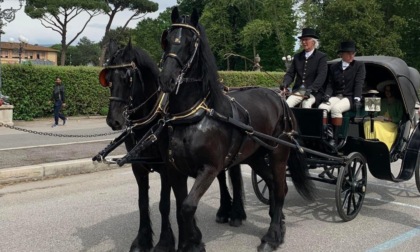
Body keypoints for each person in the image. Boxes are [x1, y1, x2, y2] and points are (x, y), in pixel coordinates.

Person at [319, 41, 365, 147]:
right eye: (348, 53)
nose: (351, 55)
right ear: (342, 54)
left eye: (353, 53)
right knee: (322, 108)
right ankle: (325, 135)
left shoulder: (359, 66)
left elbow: (359, 83)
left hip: (350, 97)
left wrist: (357, 98)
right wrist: (327, 95)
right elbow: (330, 85)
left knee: (336, 109)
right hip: (336, 96)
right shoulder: (334, 67)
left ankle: (336, 139)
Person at [280, 28, 328, 108]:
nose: (304, 42)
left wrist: (311, 89)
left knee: (306, 104)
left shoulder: (321, 57)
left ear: (313, 42)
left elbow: (321, 76)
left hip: (314, 92)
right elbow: (290, 74)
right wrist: (285, 83)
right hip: (298, 91)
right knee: (286, 105)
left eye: (306, 40)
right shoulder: (297, 57)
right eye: (302, 40)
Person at [364, 82, 403, 150]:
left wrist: (389, 119)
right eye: (386, 90)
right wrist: (373, 111)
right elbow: (376, 114)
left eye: (389, 90)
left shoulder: (398, 103)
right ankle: (370, 145)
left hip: (392, 124)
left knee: (375, 125)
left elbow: (399, 118)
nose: (387, 92)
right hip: (380, 121)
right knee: (367, 123)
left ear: (393, 91)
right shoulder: (382, 101)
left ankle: (380, 147)